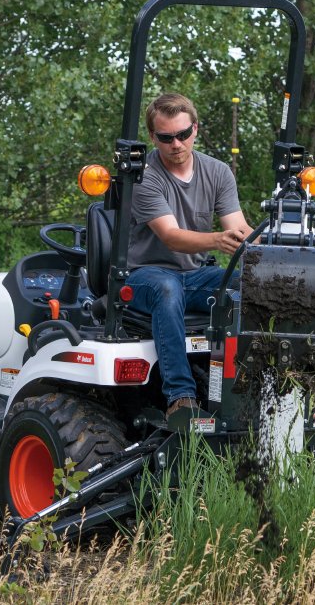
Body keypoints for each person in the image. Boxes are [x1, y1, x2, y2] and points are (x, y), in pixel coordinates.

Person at [126, 92, 254, 420]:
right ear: (153, 137)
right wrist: (217, 240)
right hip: (145, 276)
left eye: (183, 135)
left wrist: (271, 246)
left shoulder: (218, 172)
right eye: (166, 138)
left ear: (195, 129)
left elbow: (239, 229)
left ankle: (247, 387)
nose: (177, 144)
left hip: (192, 277)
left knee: (249, 286)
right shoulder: (145, 177)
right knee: (167, 290)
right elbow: (172, 237)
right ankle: (181, 398)